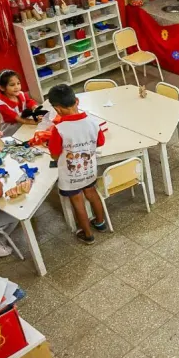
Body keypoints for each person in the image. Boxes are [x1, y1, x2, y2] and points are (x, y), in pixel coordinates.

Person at [46, 84, 107, 245]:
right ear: (77, 101)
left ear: (57, 109)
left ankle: (88, 235)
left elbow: (54, 154)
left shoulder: (59, 129)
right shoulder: (93, 122)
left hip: (70, 175)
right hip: (89, 168)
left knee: (77, 202)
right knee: (92, 193)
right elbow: (100, 142)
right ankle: (100, 223)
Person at [0, 69, 44, 134]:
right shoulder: (2, 105)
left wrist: (35, 107)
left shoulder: (21, 94)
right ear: (2, 88)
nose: (17, 87)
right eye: (12, 85)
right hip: (12, 129)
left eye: (18, 83)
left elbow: (28, 101)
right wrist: (33, 122)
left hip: (24, 121)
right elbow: (18, 118)